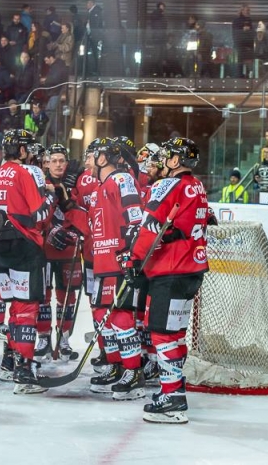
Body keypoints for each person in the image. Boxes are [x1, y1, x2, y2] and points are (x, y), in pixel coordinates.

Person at [127, 137, 209, 424]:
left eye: (167, 156)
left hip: (170, 270)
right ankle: (172, 391)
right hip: (192, 271)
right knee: (174, 334)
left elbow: (150, 228)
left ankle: (173, 398)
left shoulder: (167, 185)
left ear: (176, 161)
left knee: (162, 334)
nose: (161, 161)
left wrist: (134, 262)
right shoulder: (196, 186)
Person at [0, 129, 52, 394]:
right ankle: (24, 370)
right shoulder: (24, 173)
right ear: (24, 151)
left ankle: (11, 361)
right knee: (25, 309)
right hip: (24, 248)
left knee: (13, 309)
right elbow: (40, 214)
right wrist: (52, 196)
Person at [80, 138, 145, 400]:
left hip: (117, 260)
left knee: (120, 316)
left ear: (103, 158)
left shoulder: (121, 180)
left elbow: (135, 218)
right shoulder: (99, 187)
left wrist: (130, 255)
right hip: (101, 261)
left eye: (92, 155)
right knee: (101, 314)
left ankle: (133, 372)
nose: (88, 159)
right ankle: (116, 365)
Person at [39, 143, 85, 361]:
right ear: (47, 163)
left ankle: (64, 338)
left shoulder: (75, 184)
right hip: (45, 250)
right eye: (53, 160)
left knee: (67, 297)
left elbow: (82, 215)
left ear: (67, 163)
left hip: (69, 249)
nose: (58, 164)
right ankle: (43, 338)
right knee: (43, 296)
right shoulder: (40, 183)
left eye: (61, 161)